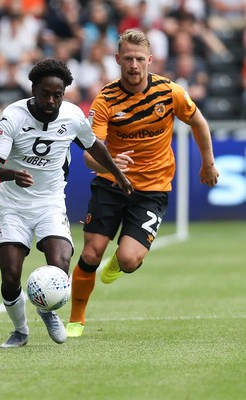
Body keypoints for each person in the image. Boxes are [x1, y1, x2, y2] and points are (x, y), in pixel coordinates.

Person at [66, 29, 219, 338]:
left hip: (152, 188)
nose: (133, 65)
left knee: (129, 259)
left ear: (150, 60)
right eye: (127, 59)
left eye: (139, 59)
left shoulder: (170, 92)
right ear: (117, 60)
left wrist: (208, 163)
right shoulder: (106, 98)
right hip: (112, 183)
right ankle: (77, 319)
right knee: (92, 253)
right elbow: (88, 157)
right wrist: (110, 163)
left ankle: (119, 264)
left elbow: (198, 122)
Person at [0, 58, 133, 348]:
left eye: (58, 94)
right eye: (45, 93)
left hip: (50, 202)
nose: (51, 100)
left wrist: (117, 174)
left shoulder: (72, 115)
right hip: (13, 205)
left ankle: (47, 308)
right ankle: (20, 330)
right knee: (11, 273)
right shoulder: (13, 116)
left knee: (60, 262)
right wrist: (12, 174)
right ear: (33, 89)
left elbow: (94, 146)